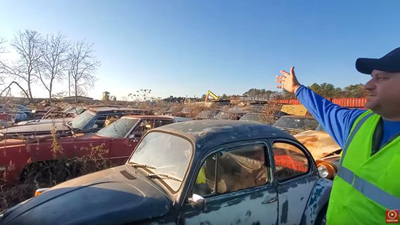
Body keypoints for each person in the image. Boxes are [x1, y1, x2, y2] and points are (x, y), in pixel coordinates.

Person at [275, 47, 400, 224]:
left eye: (381, 78)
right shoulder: (359, 123)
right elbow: (325, 110)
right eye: (372, 77)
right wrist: (296, 88)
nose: (367, 85)